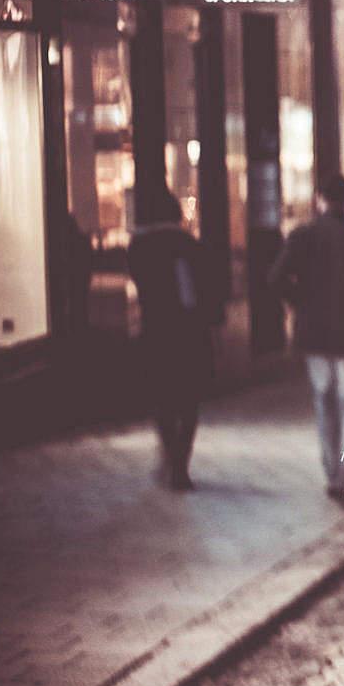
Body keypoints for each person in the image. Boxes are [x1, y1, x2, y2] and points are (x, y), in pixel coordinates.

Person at [270, 172, 344, 501]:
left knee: (324, 402)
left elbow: (276, 278)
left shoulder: (303, 236)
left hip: (315, 337)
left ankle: (331, 472)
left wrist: (301, 303)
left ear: (319, 199)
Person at [127, 192, 221, 491]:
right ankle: (181, 464)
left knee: (162, 399)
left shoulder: (139, 247)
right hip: (189, 333)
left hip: (155, 332)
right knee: (189, 401)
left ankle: (171, 455)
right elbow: (203, 291)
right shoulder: (189, 245)